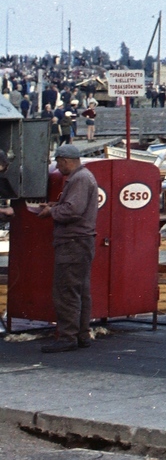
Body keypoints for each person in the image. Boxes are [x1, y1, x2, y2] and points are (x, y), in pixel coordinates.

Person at [29, 147, 99, 352]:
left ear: (66, 161)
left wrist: (52, 211)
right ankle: (82, 334)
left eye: (58, 164)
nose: (58, 168)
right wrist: (54, 205)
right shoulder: (85, 176)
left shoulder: (79, 179)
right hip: (83, 241)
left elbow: (73, 210)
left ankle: (68, 337)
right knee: (81, 290)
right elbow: (74, 206)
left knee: (66, 291)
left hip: (72, 241)